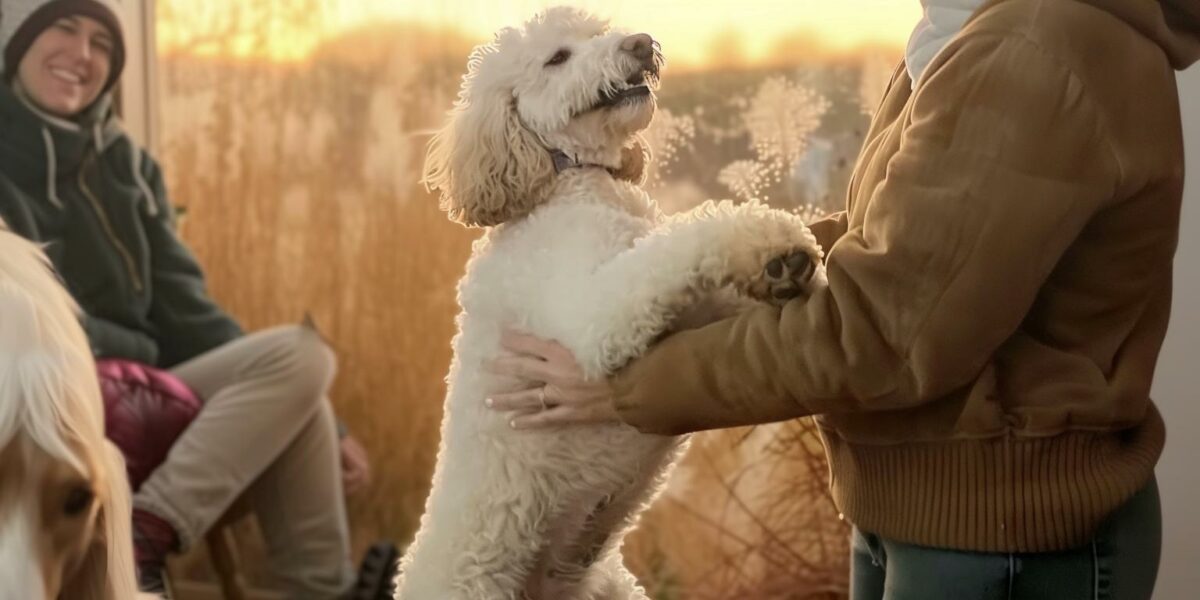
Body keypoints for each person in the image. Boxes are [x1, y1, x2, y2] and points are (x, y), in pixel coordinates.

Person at [486, 0, 1199, 598]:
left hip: (1001, 535)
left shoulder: (1034, 48)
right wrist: (682, 270)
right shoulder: (965, 31)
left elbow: (884, 331)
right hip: (935, 512)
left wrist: (627, 386)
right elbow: (883, 246)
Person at [0, 0, 371, 597]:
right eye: (63, 29)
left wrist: (317, 403)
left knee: (306, 376)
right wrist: (131, 347)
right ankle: (148, 532)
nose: (83, 55)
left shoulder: (127, 164)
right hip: (50, 405)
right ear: (16, 43)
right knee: (303, 371)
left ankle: (309, 585)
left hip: (151, 389)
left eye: (102, 44)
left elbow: (188, 311)